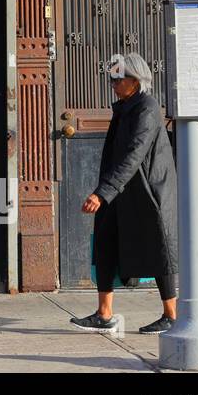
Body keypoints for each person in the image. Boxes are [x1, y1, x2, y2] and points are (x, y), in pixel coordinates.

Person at [70, 52, 179, 334]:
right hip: (120, 189)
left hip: (148, 189)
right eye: (112, 79)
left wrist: (102, 192)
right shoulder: (125, 107)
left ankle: (172, 315)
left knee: (160, 247)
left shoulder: (147, 108)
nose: (114, 84)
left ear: (136, 80)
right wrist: (107, 190)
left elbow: (134, 155)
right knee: (105, 242)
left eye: (119, 79)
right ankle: (104, 314)